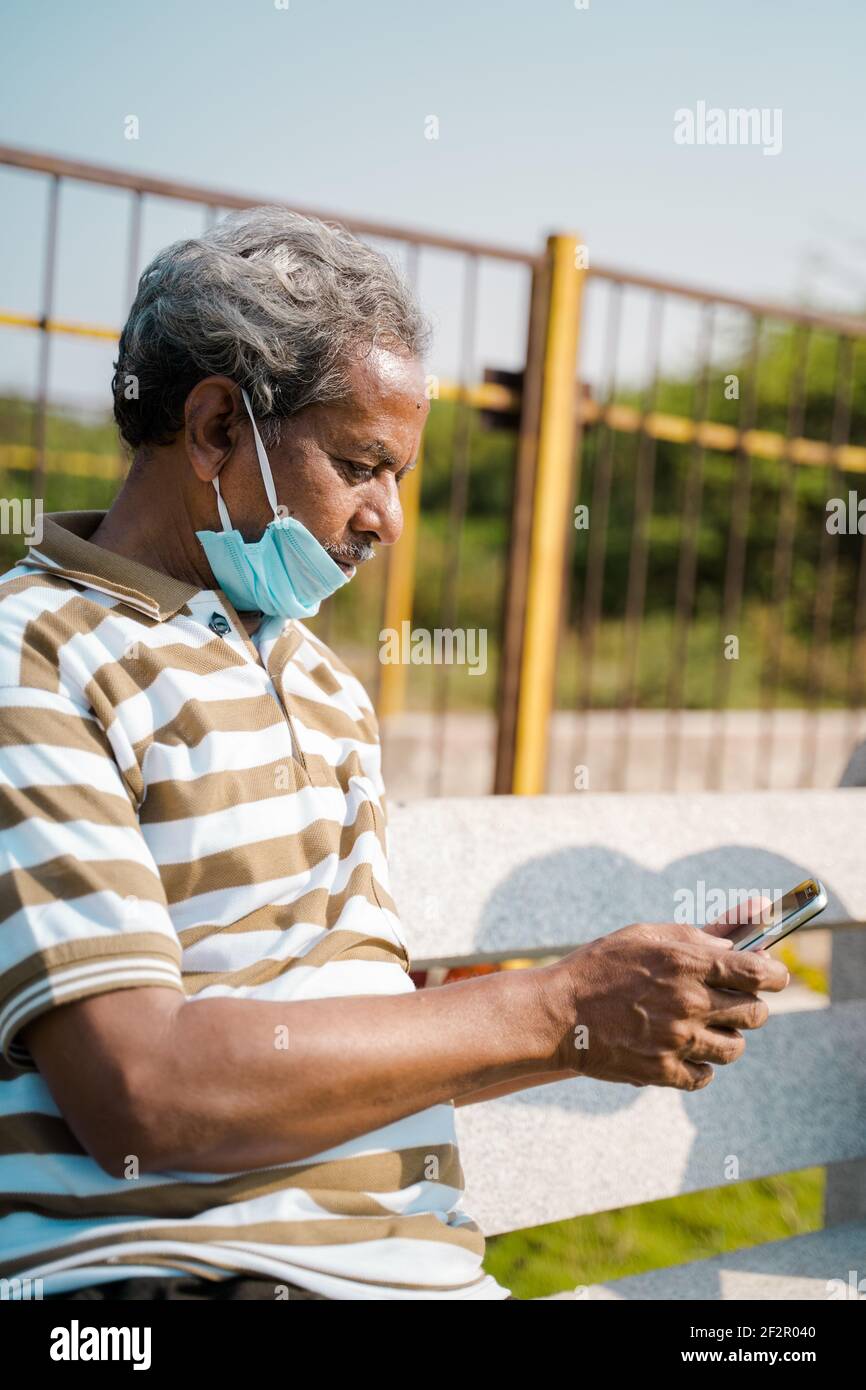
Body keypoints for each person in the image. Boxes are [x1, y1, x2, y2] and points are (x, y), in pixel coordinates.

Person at [0, 207, 789, 1301]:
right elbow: (145, 1092)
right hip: (180, 1279)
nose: (388, 520)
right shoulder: (37, 655)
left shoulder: (322, 687)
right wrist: (550, 1006)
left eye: (401, 475)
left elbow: (343, 1052)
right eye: (362, 464)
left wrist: (602, 1018)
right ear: (218, 428)